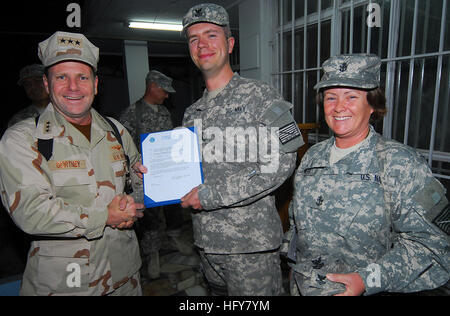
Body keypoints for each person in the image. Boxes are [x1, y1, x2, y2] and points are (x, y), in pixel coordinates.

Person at [285, 54, 450, 296]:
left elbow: (432, 245)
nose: (339, 107)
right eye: (331, 97)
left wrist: (367, 280)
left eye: (351, 97)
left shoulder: (400, 163)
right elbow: (296, 223)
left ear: (372, 104)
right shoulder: (313, 157)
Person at [0, 31, 147, 296]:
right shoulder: (23, 139)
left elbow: (135, 180)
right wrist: (106, 216)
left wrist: (138, 192)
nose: (73, 87)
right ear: (46, 84)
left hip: (125, 278)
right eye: (61, 77)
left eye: (82, 77)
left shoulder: (116, 130)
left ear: (96, 84)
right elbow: (31, 211)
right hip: (67, 284)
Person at [180, 3, 304, 296]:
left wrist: (213, 195)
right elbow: (186, 171)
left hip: (250, 248)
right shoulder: (191, 113)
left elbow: (284, 158)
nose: (202, 45)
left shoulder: (261, 96)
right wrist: (152, 174)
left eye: (211, 35)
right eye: (194, 39)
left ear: (230, 44)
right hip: (206, 244)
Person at [119, 70, 192, 280]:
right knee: (150, 216)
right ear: (153, 86)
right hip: (145, 176)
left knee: (173, 208)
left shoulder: (164, 113)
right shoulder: (131, 113)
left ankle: (175, 237)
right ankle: (153, 252)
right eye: (165, 91)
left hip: (168, 172)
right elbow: (124, 148)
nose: (167, 96)